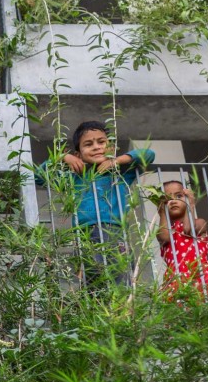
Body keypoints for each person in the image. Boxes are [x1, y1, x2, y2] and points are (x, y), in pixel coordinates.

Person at [36, 121, 155, 287]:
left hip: (114, 231)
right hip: (84, 235)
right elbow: (39, 175)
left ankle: (122, 310)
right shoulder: (74, 177)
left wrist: (117, 161)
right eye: (88, 144)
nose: (96, 147)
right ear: (78, 155)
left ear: (110, 147)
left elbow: (148, 154)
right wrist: (63, 157)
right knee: (93, 285)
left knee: (120, 281)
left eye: (101, 142)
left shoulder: (120, 173)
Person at [154, 179, 208, 305]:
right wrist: (162, 211)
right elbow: (164, 237)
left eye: (179, 196)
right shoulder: (166, 232)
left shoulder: (200, 222)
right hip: (176, 280)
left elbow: (188, 229)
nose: (173, 201)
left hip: (201, 276)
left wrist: (191, 205)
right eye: (167, 199)